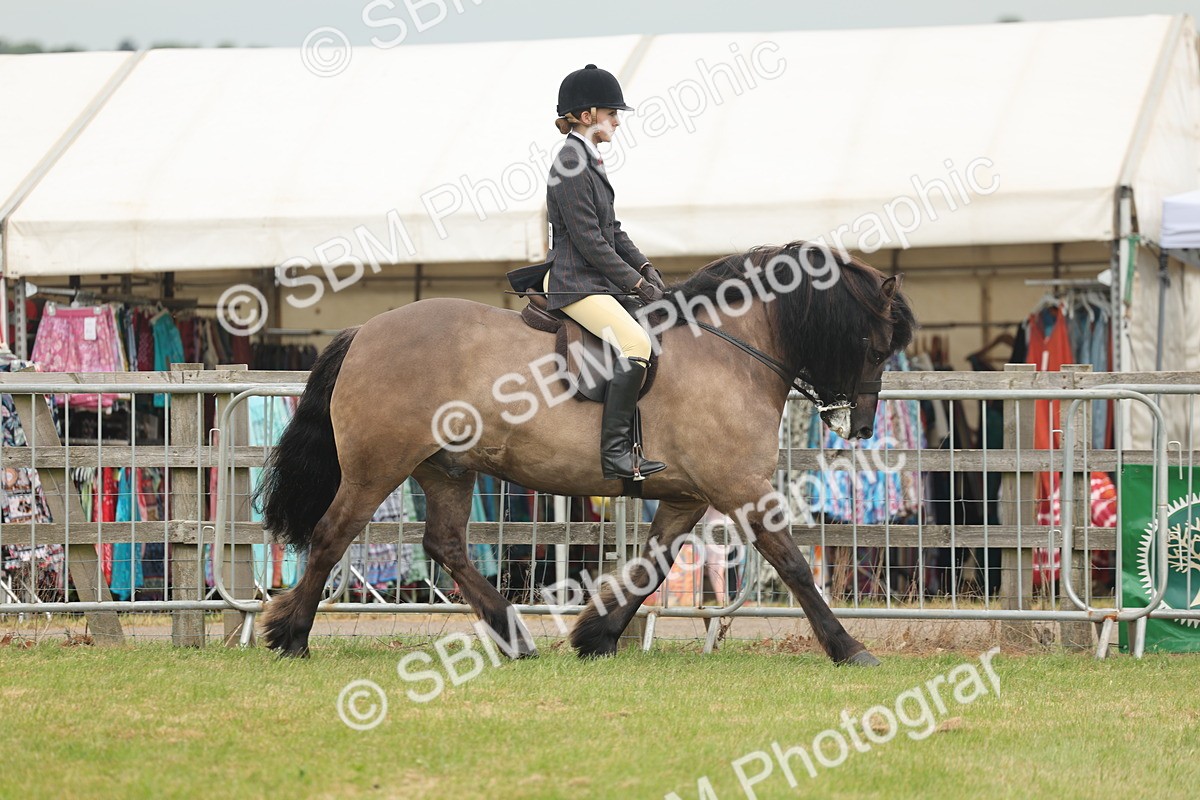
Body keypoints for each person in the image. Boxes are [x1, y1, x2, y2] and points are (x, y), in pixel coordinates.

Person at [542, 64, 668, 481]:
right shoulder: (570, 163)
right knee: (636, 343)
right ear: (587, 115)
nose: (617, 121)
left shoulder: (588, 160)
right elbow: (590, 242)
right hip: (573, 282)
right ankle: (614, 455)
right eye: (612, 113)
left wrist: (645, 267)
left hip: (592, 279)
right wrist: (636, 284)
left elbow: (612, 230)